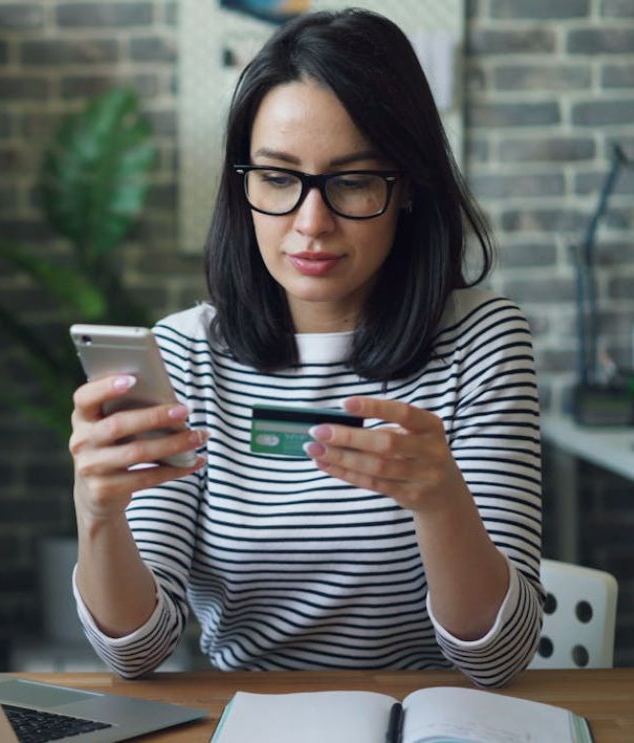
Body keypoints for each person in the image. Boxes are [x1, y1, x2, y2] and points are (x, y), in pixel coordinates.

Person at [68, 8, 542, 688]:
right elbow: (133, 654)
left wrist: (440, 504)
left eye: (350, 181)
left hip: (430, 718)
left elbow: (498, 657)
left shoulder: (482, 341)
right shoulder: (183, 354)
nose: (310, 223)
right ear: (243, 184)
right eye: (278, 178)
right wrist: (98, 512)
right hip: (244, 720)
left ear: (405, 186)